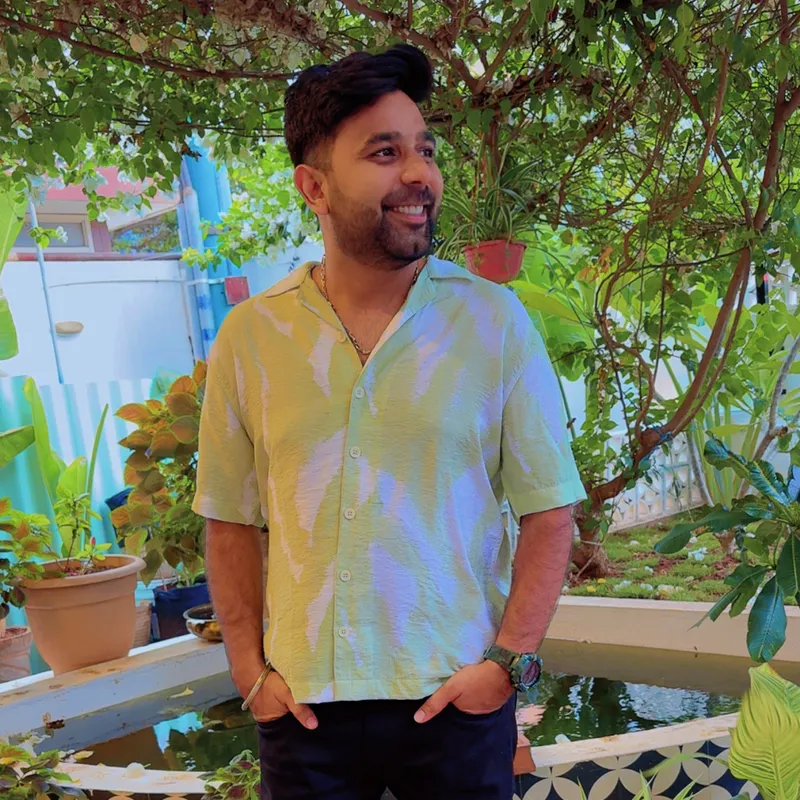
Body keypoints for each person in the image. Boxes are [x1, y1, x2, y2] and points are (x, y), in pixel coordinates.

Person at [192, 44, 586, 800]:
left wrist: (508, 663)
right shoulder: (252, 336)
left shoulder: (492, 322)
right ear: (314, 185)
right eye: (384, 152)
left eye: (424, 150)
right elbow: (229, 519)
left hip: (456, 700)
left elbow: (550, 509)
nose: (419, 174)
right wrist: (249, 672)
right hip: (304, 710)